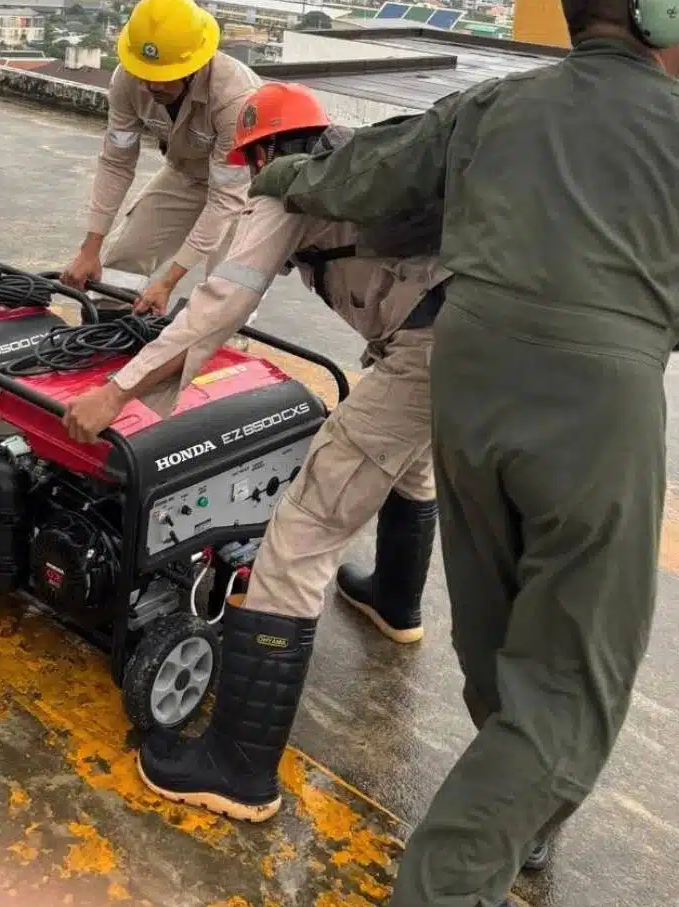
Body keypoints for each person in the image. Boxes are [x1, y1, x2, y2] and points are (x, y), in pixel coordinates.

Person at [250, 0, 679, 907]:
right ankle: (445, 898)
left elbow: (364, 176)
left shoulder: (494, 105)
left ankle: (518, 816)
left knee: (498, 621)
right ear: (658, 13)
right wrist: (643, 319)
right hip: (592, 408)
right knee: (572, 684)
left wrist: (278, 174)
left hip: (468, 373)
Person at [62, 81, 449, 822]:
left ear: (263, 150)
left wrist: (120, 390)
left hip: (430, 352)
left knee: (298, 540)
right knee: (413, 455)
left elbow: (225, 300)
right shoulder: (366, 158)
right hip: (483, 336)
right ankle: (396, 602)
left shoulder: (286, 190)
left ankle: (238, 768)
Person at [61, 0, 258, 316]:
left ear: (195, 64)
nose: (153, 86)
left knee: (226, 289)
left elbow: (226, 197)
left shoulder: (235, 98)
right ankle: (105, 340)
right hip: (186, 175)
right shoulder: (127, 79)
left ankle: (229, 347)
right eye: (146, 74)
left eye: (164, 77)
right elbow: (116, 162)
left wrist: (168, 281)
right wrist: (89, 248)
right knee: (121, 266)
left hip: (246, 189)